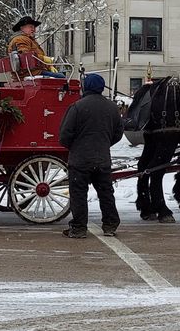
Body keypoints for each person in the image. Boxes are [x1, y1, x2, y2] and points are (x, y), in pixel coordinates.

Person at [59, 73, 123, 238]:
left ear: (85, 87)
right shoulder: (112, 108)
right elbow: (118, 133)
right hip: (102, 158)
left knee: (79, 193)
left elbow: (65, 135)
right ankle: (110, 225)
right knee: (106, 192)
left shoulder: (77, 107)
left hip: (80, 159)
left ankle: (79, 228)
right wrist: (103, 144)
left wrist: (75, 147)